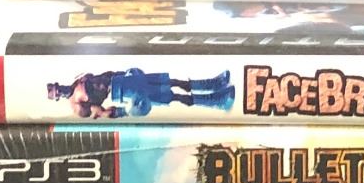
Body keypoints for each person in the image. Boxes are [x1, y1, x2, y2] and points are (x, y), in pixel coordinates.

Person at [45, 68, 235, 119]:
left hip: (124, 80)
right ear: (58, 98)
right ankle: (215, 101)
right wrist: (127, 110)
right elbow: (100, 112)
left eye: (56, 87)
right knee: (173, 96)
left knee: (172, 81)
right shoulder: (77, 105)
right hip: (124, 95)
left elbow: (104, 75)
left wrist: (124, 73)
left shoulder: (79, 79)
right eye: (56, 93)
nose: (60, 90)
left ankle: (213, 84)